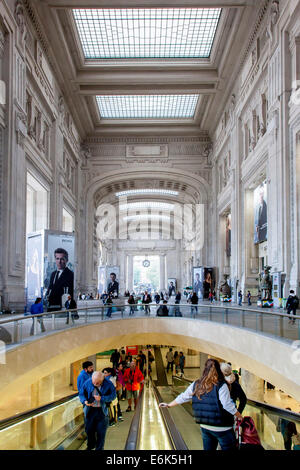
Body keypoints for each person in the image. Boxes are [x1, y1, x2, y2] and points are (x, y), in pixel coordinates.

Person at [159, 359, 243, 450]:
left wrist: (169, 404)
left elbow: (184, 396)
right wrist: (239, 416)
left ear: (205, 369)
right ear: (219, 370)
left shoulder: (197, 384)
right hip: (223, 428)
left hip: (205, 426)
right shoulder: (222, 385)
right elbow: (227, 405)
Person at [79, 371, 116, 450]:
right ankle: (91, 446)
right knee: (89, 431)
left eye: (98, 383)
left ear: (103, 380)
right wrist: (85, 401)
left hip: (102, 411)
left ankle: (99, 448)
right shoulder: (87, 383)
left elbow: (113, 395)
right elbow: (81, 394)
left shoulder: (108, 384)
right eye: (94, 382)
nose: (95, 384)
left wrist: (102, 398)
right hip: (90, 411)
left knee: (101, 433)